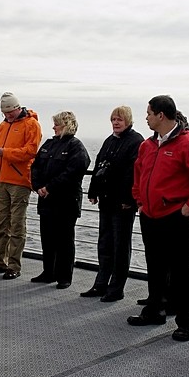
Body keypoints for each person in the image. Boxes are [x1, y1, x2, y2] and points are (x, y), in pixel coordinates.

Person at [128, 95, 189, 342]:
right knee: (155, 266)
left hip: (175, 216)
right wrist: (140, 200)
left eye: (149, 113)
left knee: (182, 270)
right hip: (150, 214)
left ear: (161, 115)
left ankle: (188, 320)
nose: (146, 117)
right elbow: (138, 174)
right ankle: (155, 309)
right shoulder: (147, 145)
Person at [82, 106, 144, 302]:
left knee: (120, 246)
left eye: (119, 119)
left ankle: (116, 288)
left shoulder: (136, 141)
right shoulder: (110, 140)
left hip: (123, 203)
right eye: (113, 119)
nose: (116, 122)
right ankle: (101, 284)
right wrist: (93, 191)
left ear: (128, 121)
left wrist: (128, 199)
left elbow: (133, 173)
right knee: (105, 244)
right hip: (107, 200)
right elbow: (100, 165)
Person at [0, 92, 41, 280]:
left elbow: (30, 152)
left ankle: (14, 264)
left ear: (17, 108)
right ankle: (1, 260)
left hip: (19, 181)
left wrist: (4, 153)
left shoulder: (31, 125)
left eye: (10, 112)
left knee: (16, 225)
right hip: (1, 179)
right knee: (2, 223)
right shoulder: (3, 126)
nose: (7, 116)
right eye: (4, 113)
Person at [30, 111, 90, 289]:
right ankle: (49, 272)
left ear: (66, 125)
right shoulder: (49, 144)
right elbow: (36, 167)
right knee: (47, 238)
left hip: (65, 202)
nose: (53, 127)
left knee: (64, 240)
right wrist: (38, 186)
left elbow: (73, 173)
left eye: (57, 124)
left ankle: (64, 276)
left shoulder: (76, 147)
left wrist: (50, 187)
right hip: (46, 200)